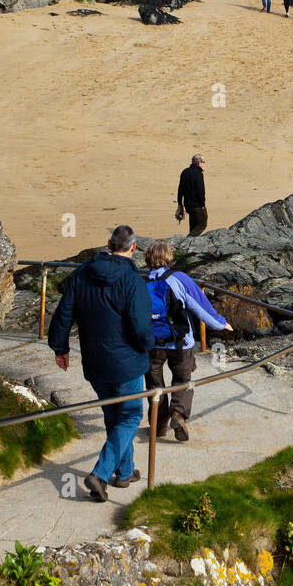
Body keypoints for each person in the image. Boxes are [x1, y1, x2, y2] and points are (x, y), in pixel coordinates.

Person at [48, 225, 154, 502]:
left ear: (108, 244)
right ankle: (101, 474)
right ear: (133, 248)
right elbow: (142, 327)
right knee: (130, 416)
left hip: (95, 362)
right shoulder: (133, 281)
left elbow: (64, 312)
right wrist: (147, 348)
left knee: (114, 417)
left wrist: (60, 348)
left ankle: (125, 472)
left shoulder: (83, 273)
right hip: (126, 362)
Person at [144, 241, 233, 443]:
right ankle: (178, 414)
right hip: (180, 341)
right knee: (182, 380)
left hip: (151, 343)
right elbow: (201, 308)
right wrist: (220, 324)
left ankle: (158, 426)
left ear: (148, 259)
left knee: (154, 385)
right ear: (169, 257)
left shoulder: (142, 283)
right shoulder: (179, 279)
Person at [176, 154, 207, 234]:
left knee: (193, 226)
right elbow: (200, 190)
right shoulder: (198, 173)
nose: (203, 164)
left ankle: (191, 243)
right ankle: (188, 241)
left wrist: (180, 203)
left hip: (188, 205)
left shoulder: (185, 172)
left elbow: (180, 190)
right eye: (203, 162)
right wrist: (202, 204)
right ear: (199, 163)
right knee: (202, 224)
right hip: (197, 206)